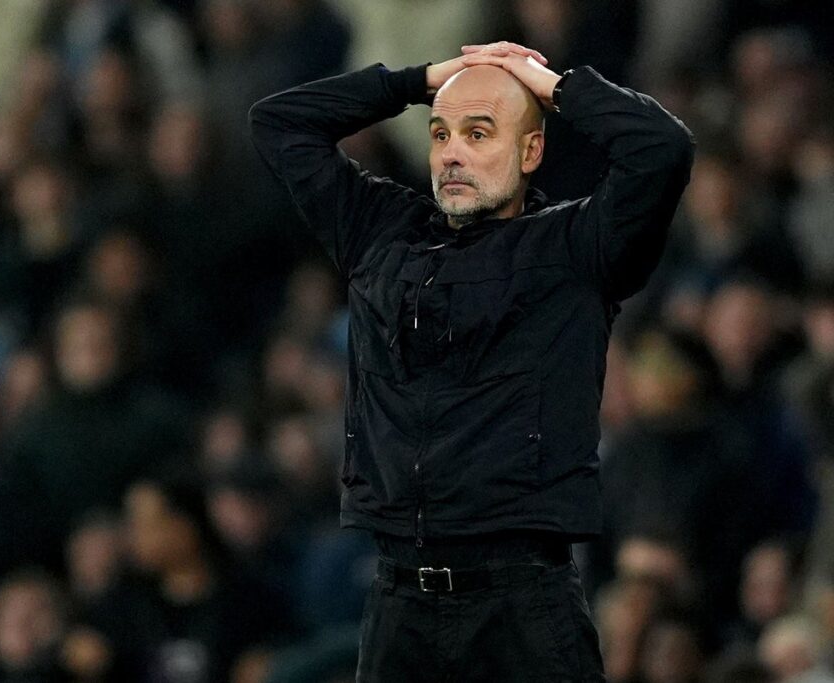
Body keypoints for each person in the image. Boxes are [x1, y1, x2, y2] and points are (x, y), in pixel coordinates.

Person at [249, 40, 694, 681]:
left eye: (478, 133)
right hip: (398, 603)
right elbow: (278, 121)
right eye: (440, 134)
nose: (451, 154)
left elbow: (661, 148)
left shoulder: (576, 250)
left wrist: (552, 87)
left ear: (531, 151)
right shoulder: (379, 230)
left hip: (522, 608)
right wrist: (419, 81)